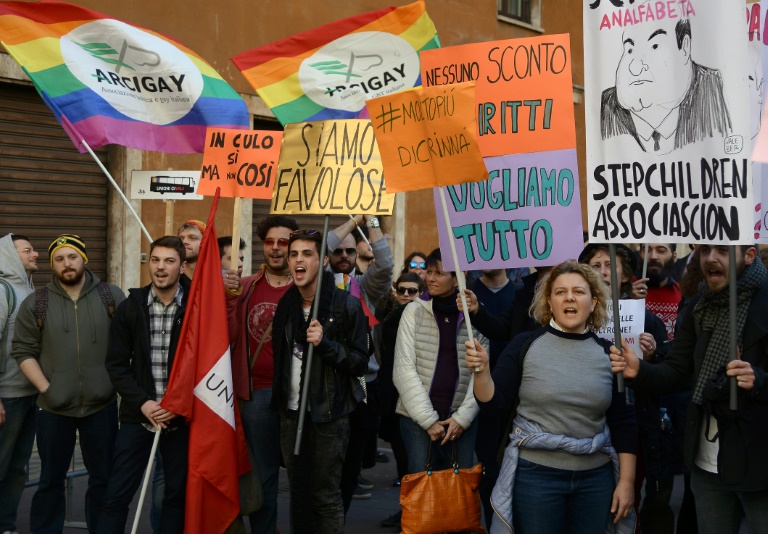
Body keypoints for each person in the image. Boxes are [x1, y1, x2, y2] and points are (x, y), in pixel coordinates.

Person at [467, 260, 637, 533]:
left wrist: (626, 482)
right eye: (560, 292)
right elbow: (494, 404)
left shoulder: (611, 354)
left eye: (578, 291)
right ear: (549, 302)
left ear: (593, 302)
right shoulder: (524, 345)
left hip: (595, 481)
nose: (569, 297)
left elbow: (625, 423)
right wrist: (481, 372)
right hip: (536, 478)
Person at [611, 244, 768, 533]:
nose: (711, 258)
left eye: (723, 251)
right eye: (705, 250)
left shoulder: (764, 302)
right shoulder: (699, 305)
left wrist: (759, 380)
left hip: (758, 462)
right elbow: (675, 370)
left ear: (749, 256)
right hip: (706, 462)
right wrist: (639, 370)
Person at [12, 234, 124, 534]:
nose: (67, 263)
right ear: (53, 265)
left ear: (83, 259)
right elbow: (23, 351)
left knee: (103, 479)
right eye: (59, 259)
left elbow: (129, 344)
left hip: (101, 406)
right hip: (53, 409)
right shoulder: (37, 303)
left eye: (72, 256)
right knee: (50, 480)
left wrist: (114, 385)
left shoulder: (111, 297)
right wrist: (48, 390)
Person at [271, 229, 369, 533]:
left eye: (307, 254)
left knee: (325, 496)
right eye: (293, 254)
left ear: (323, 261)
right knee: (298, 495)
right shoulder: (285, 307)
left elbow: (359, 362)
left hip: (329, 415)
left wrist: (326, 345)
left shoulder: (347, 306)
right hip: (291, 415)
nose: (298, 260)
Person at [579, 243, 674, 534]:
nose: (603, 272)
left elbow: (669, 375)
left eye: (610, 266)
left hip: (634, 427)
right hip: (585, 427)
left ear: (624, 276)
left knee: (624, 506)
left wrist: (651, 358)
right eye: (596, 266)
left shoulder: (647, 320)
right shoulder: (573, 316)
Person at [97, 236, 190, 534]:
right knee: (117, 494)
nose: (160, 267)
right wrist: (144, 402)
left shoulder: (196, 308)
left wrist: (178, 404)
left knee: (175, 496)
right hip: (138, 417)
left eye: (169, 261)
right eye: (155, 260)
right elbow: (116, 364)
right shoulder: (130, 307)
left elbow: (204, 367)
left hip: (181, 419)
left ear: (182, 267)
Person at [227, 215, 298, 533]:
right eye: (270, 241)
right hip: (256, 395)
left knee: (303, 474)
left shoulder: (307, 287)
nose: (276, 248)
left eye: (284, 242)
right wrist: (227, 298)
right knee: (264, 474)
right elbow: (226, 335)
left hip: (298, 396)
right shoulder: (244, 287)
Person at [393, 248, 486, 478]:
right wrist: (428, 420)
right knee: (420, 489)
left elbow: (482, 373)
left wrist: (462, 418)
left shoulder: (474, 315)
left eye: (439, 273)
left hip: (460, 420)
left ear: (457, 279)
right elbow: (403, 369)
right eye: (429, 271)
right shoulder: (413, 311)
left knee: (460, 489)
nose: (431, 278)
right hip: (417, 420)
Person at [326, 215, 393, 509]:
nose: (344, 255)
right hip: (327, 385)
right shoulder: (318, 284)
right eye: (338, 250)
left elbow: (386, 264)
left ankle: (339, 518)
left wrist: (371, 221)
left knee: (352, 463)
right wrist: (353, 222)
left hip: (364, 386)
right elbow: (319, 249)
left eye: (350, 251)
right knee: (327, 463)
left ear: (357, 255)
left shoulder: (365, 286)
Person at [601, 18, 731, 154]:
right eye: (630, 50)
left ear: (685, 47)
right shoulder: (607, 105)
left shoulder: (715, 88)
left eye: (655, 46)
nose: (635, 67)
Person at [377, 272, 425, 530]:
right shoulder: (391, 315)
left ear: (421, 293)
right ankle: (406, 508)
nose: (406, 295)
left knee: (414, 459)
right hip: (391, 393)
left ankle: (413, 512)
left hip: (415, 397)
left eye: (412, 291)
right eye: (401, 290)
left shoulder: (422, 316)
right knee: (401, 456)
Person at [0, 234, 38, 534]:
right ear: (10, 256)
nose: (35, 254)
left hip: (31, 396)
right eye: (27, 251)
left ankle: (6, 525)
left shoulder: (30, 289)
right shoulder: (2, 291)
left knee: (17, 469)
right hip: (7, 397)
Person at [637, 243, 682, 341]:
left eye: (661, 251)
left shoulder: (684, 294)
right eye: (647, 250)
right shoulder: (625, 291)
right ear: (640, 254)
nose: (653, 256)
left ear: (674, 257)